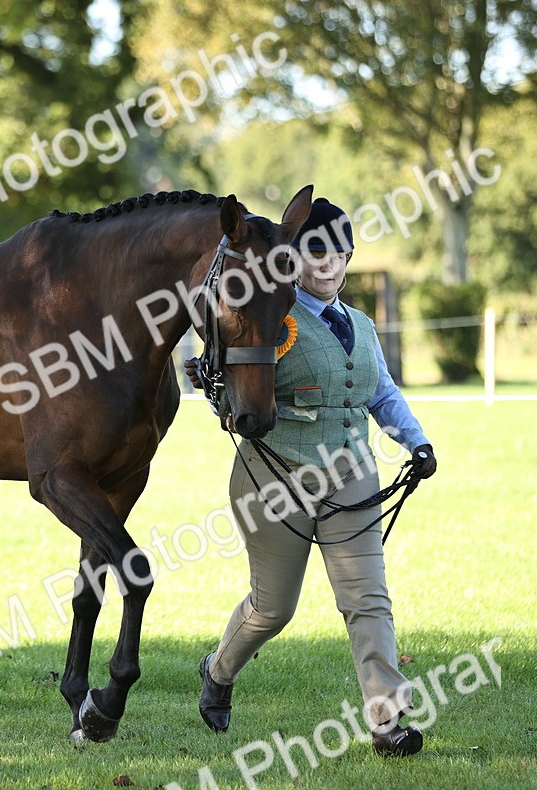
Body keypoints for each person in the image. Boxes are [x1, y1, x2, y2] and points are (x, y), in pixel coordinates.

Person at [185, 197, 437, 757]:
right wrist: (215, 386)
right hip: (275, 475)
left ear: (348, 257)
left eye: (338, 252)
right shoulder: (271, 315)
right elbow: (236, 396)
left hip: (352, 474)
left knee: (368, 599)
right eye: (314, 251)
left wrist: (416, 441)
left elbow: (382, 393)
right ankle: (219, 670)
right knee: (272, 609)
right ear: (294, 258)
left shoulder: (363, 325)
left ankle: (387, 721)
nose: (327, 262)